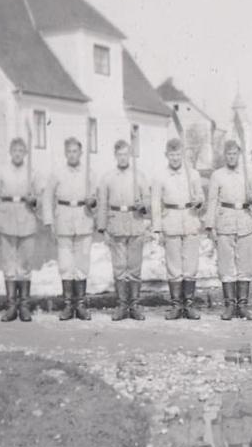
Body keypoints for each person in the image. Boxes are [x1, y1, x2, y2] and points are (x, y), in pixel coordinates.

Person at [42, 137, 97, 321]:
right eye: (69, 151)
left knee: (82, 264)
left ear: (81, 153)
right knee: (65, 264)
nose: (72, 155)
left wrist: (93, 202)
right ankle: (67, 305)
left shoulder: (89, 172)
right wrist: (49, 221)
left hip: (83, 219)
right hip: (63, 220)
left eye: (75, 151)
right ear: (65, 153)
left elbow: (97, 197)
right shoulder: (57, 173)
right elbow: (47, 196)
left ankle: (80, 305)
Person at [0, 137, 42, 323]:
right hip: (7, 218)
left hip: (26, 218)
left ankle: (24, 306)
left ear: (25, 153)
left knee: (25, 264)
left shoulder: (32, 172)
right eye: (15, 150)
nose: (17, 154)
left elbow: (40, 197)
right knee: (9, 264)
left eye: (21, 151)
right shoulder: (1, 171)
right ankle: (11, 306)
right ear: (10, 152)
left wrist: (34, 200)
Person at [204, 140, 252, 321]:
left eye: (235, 153)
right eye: (229, 154)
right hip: (225, 220)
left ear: (239, 155)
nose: (232, 157)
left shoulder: (249, 173)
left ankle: (242, 306)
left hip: (245, 220)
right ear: (224, 155)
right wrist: (210, 225)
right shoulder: (217, 175)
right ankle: (229, 306)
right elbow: (212, 200)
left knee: (245, 264)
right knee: (226, 264)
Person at [97, 139, 151, 321]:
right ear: (115, 155)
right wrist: (102, 227)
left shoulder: (139, 176)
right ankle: (121, 305)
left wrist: (144, 205)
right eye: (119, 154)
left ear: (130, 155)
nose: (122, 158)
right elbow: (102, 203)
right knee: (119, 267)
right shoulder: (107, 178)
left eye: (125, 154)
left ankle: (134, 305)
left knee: (134, 268)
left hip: (135, 222)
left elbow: (148, 199)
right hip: (116, 224)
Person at [151, 138, 205, 320]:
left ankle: (188, 305)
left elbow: (201, 197)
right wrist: (157, 228)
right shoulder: (160, 176)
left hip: (190, 219)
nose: (175, 158)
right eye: (171, 155)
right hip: (171, 220)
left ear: (183, 154)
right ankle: (176, 305)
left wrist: (199, 201)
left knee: (190, 265)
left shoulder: (193, 174)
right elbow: (156, 203)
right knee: (174, 265)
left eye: (178, 154)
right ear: (166, 155)